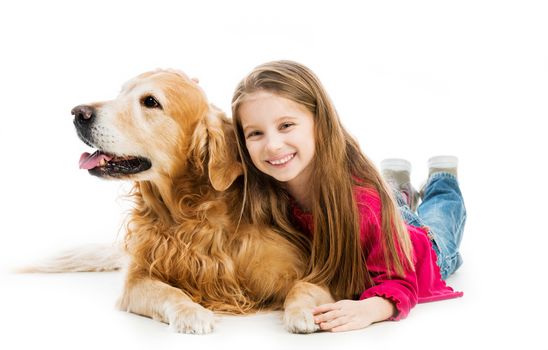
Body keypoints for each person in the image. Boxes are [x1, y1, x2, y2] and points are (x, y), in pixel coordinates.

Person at [230, 60, 466, 332]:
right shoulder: (261, 185)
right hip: (383, 220)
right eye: (256, 133)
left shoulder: (364, 207)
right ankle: (396, 189)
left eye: (285, 125)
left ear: (319, 122)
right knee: (390, 205)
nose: (272, 145)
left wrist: (369, 309)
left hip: (416, 254)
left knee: (439, 218)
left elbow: (399, 282)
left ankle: (443, 178)